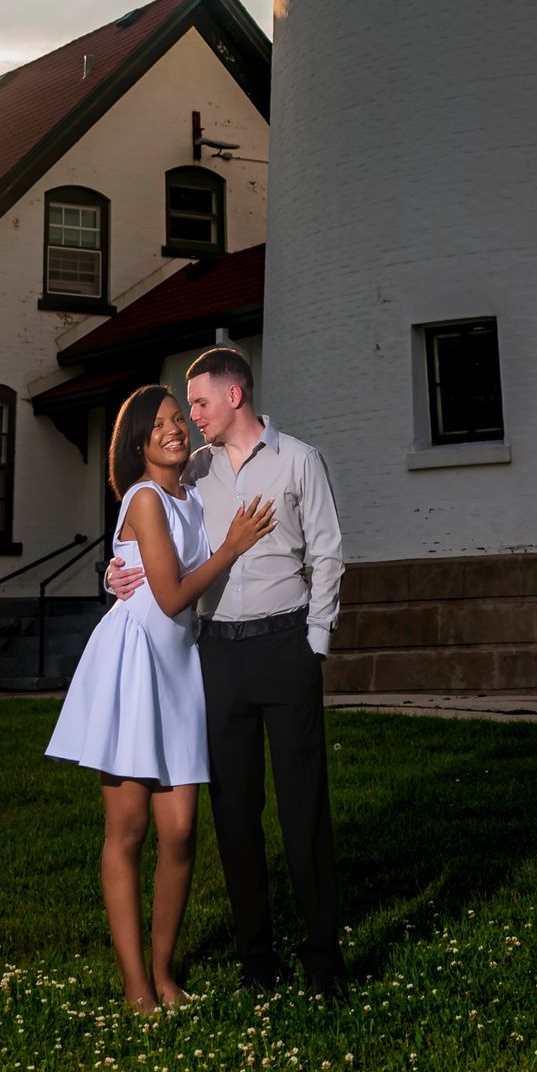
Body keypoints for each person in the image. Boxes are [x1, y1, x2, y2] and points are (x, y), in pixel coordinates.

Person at [108, 347, 346, 996]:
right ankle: (256, 963)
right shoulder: (194, 470)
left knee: (303, 809)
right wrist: (116, 571)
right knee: (235, 817)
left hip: (285, 645)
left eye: (199, 403)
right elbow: (149, 531)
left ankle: (322, 961)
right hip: (214, 654)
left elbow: (328, 553)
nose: (190, 418)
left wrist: (314, 643)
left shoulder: (299, 460)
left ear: (233, 396)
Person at [47, 381, 275, 1013]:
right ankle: (135, 986)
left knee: (180, 832)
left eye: (178, 418)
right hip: (134, 664)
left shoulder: (193, 495)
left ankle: (163, 972)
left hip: (180, 668)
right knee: (129, 829)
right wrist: (233, 547)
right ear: (137, 443)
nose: (173, 430)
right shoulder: (145, 498)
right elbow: (171, 596)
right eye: (158, 426)